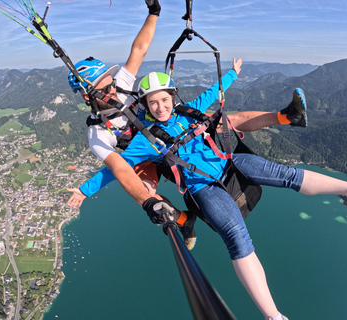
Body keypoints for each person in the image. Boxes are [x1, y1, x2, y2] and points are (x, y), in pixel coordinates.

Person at [68, 60, 347, 319]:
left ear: (173, 98)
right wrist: (84, 190)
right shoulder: (143, 141)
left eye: (164, 100)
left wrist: (232, 74)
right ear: (146, 106)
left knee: (287, 175)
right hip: (202, 187)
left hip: (229, 162)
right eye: (153, 103)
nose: (160, 107)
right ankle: (272, 315)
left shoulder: (186, 110)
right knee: (237, 237)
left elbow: (211, 94)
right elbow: (118, 169)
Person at [67, 54, 308, 248]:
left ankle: (288, 116)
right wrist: (84, 190)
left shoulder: (124, 88)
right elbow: (117, 167)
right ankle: (184, 221)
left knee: (227, 120)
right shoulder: (97, 131)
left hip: (168, 136)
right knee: (145, 190)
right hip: (144, 154)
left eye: (110, 84)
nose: (111, 89)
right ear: (89, 96)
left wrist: (153, 12)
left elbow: (140, 49)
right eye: (103, 88)